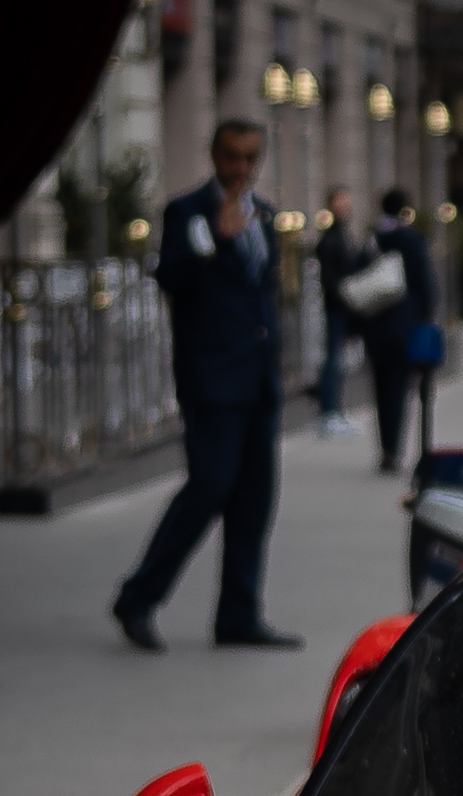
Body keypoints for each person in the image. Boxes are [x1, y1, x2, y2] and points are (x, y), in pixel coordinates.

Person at [112, 120, 302, 651]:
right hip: (213, 380)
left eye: (250, 158)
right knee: (209, 488)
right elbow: (171, 279)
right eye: (231, 157)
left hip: (258, 380)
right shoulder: (187, 211)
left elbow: (262, 295)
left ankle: (238, 615)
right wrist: (213, 241)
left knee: (254, 499)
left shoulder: (261, 215)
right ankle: (138, 598)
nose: (241, 169)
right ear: (214, 155)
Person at [359, 188, 439, 475]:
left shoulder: (371, 238)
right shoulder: (410, 239)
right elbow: (424, 282)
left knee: (380, 390)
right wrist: (427, 316)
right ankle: (395, 449)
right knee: (399, 389)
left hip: (376, 324)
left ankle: (385, 447)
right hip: (404, 324)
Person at [311, 186, 363, 437]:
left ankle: (334, 411)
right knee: (333, 360)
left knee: (338, 360)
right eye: (340, 203)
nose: (344, 208)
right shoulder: (331, 239)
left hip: (342, 306)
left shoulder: (342, 235)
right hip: (337, 307)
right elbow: (331, 279)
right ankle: (329, 412)